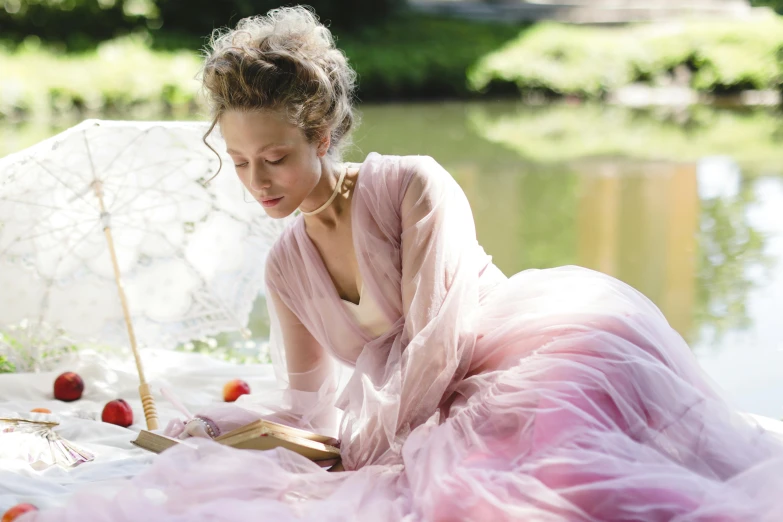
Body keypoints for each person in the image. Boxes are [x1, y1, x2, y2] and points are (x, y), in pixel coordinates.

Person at [24, 6, 783, 522]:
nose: (258, 182)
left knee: (522, 481)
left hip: (529, 358)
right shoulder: (287, 265)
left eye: (277, 157)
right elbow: (305, 410)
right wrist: (210, 426)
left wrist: (371, 448)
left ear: (322, 136)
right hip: (422, 410)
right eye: (242, 161)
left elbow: (438, 343)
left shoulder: (410, 184)